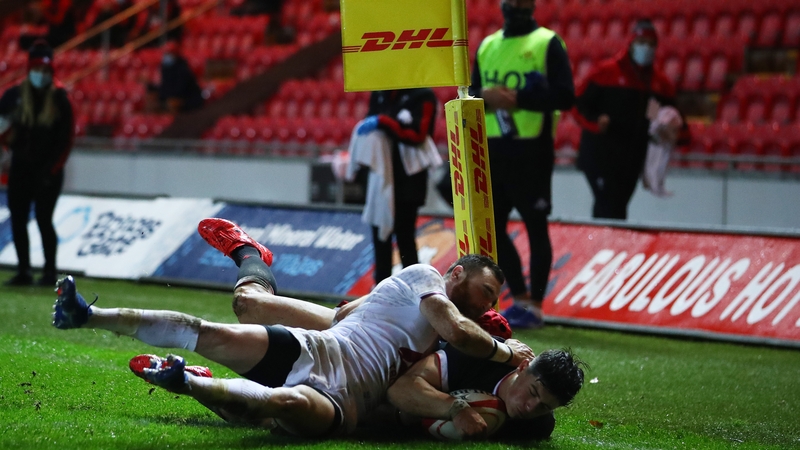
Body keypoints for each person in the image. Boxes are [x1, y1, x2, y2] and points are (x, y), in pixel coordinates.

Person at [52, 217, 533, 437]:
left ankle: (197, 382)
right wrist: (505, 352)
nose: (487, 305)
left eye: (491, 301)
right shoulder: (435, 290)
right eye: (485, 293)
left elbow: (421, 380)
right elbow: (456, 333)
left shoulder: (475, 330)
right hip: (336, 336)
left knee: (272, 404)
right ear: (455, 276)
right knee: (244, 306)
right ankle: (248, 255)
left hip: (348, 353)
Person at [469, 0, 575, 329]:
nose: (515, 5)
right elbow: (470, 92)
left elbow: (565, 96)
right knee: (495, 230)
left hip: (532, 149)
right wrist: (486, 97)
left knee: (535, 226)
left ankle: (537, 306)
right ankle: (519, 298)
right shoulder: (488, 45)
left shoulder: (547, 42)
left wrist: (519, 99)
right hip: (494, 149)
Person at [572, 19, 686, 220]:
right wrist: (596, 123)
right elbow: (576, 105)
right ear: (631, 43)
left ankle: (608, 248)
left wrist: (672, 133)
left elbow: (679, 126)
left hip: (631, 161)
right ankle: (606, 247)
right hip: (600, 157)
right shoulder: (605, 73)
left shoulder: (659, 84)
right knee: (609, 207)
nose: (647, 49)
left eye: (652, 45)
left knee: (616, 209)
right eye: (642, 42)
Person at [388, 344, 586, 440]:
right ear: (523, 367)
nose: (530, 407)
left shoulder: (538, 427)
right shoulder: (478, 356)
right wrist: (456, 409)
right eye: (533, 392)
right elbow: (400, 386)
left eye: (544, 407)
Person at [0, 40, 74, 286]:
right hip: (21, 167)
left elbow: (67, 139)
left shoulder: (60, 98)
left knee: (44, 219)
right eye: (37, 68)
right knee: (19, 219)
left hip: (47, 171)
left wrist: (52, 170)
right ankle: (24, 271)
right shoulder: (14, 96)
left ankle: (49, 272)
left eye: (44, 70)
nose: (40, 75)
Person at [352, 89, 440, 285]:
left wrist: (385, 122)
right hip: (380, 177)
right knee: (379, 238)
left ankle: (413, 290)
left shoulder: (423, 95)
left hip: (408, 179)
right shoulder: (380, 92)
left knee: (405, 237)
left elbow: (418, 135)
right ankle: (380, 290)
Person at [159, 40, 203, 114]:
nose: (166, 56)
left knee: (173, 103)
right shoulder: (165, 68)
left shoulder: (182, 69)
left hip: (189, 102)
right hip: (174, 99)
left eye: (169, 54)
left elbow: (181, 89)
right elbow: (165, 86)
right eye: (165, 53)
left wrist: (173, 99)